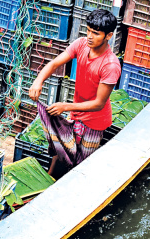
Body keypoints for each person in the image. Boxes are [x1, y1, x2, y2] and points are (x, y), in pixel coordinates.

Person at [28, 9, 121, 175]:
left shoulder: (110, 65)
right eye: (88, 30)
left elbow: (98, 104)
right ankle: (48, 182)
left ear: (108, 36)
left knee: (81, 164)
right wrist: (38, 81)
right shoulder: (81, 44)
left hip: (94, 122)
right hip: (76, 113)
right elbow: (55, 63)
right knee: (62, 149)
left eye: (96, 33)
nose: (90, 36)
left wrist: (65, 107)